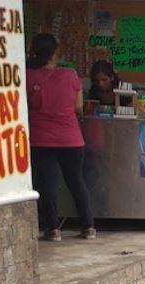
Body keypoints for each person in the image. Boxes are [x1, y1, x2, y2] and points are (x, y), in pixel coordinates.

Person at [26, 33, 95, 241]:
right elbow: (78, 107)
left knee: (48, 184)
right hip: (71, 138)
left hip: (41, 138)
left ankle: (53, 229)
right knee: (76, 182)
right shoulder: (70, 74)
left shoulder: (28, 75)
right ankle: (88, 226)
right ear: (56, 52)